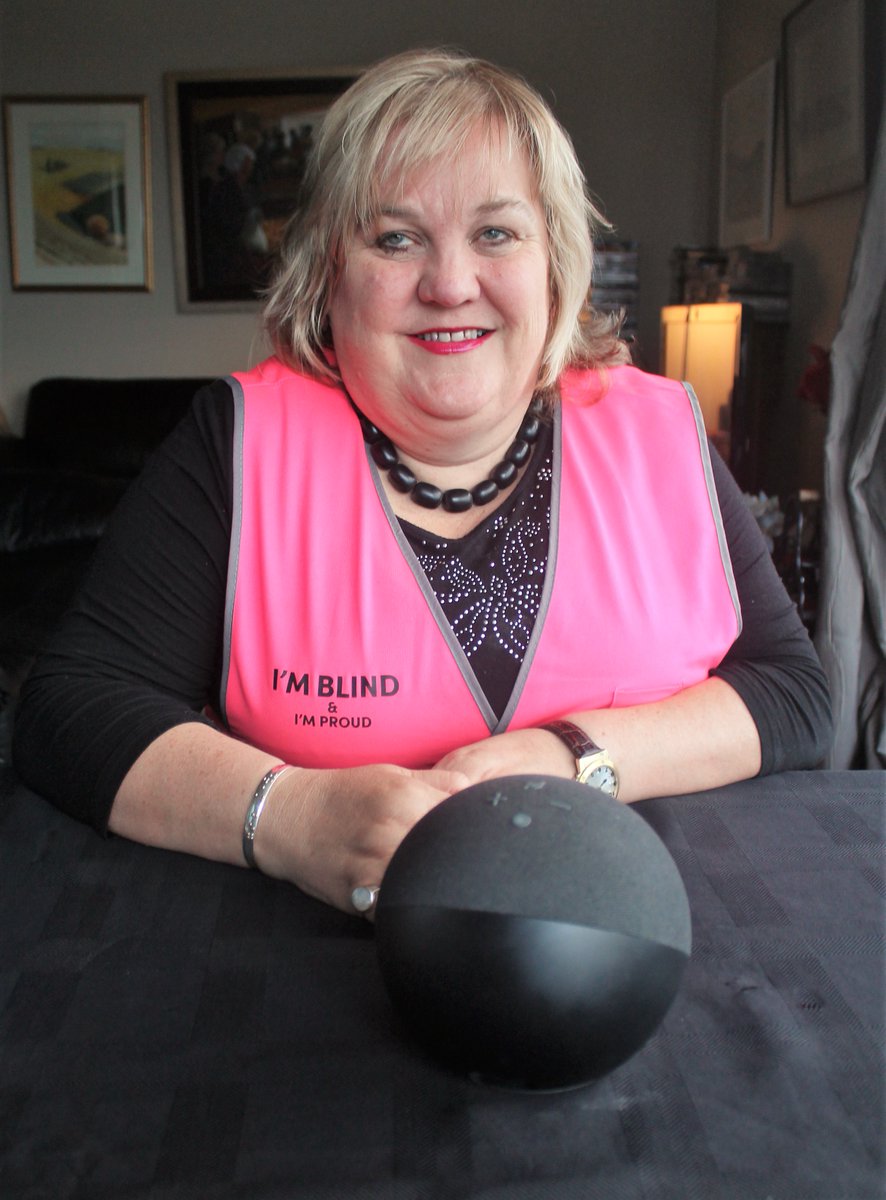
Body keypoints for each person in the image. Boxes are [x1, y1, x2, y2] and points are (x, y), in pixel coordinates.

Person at [13, 49, 831, 917]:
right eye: (396, 238)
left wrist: (575, 757)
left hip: (664, 939)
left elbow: (792, 692)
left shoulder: (662, 431)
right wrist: (290, 814)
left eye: (496, 233)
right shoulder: (238, 444)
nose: (449, 285)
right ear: (329, 276)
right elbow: (68, 711)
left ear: (554, 264)